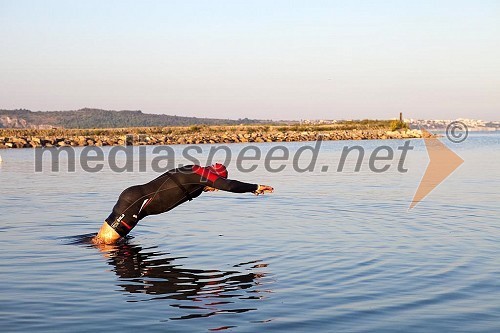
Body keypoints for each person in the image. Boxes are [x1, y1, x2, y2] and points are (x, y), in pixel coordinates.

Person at [93, 163, 274, 244]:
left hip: (135, 201)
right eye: (215, 184)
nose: (216, 188)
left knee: (100, 242)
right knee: (105, 246)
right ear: (214, 177)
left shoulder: (195, 178)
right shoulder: (198, 172)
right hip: (136, 202)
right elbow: (229, 186)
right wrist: (255, 186)